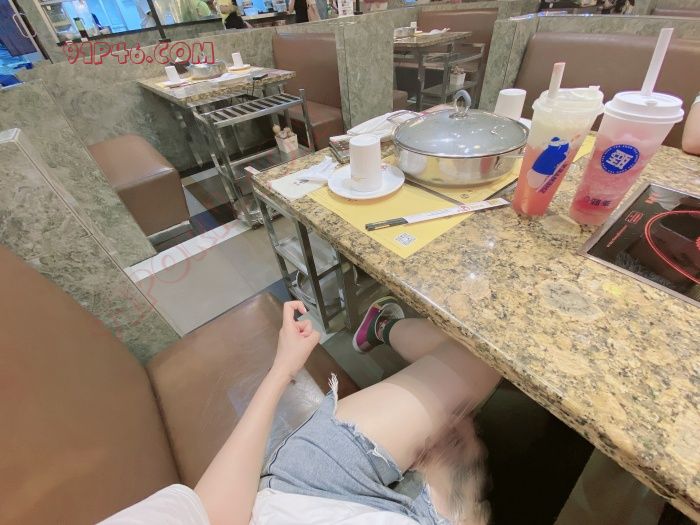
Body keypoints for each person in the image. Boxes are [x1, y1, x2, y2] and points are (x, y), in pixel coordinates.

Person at [101, 298, 501, 525]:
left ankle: (381, 325)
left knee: (485, 357)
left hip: (304, 489)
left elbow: (211, 512)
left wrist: (282, 370)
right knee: (488, 363)